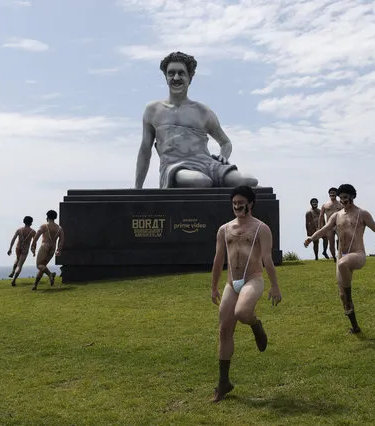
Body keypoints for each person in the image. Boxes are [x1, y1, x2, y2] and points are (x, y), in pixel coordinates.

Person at [135, 51, 258, 189]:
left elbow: (225, 142)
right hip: (176, 167)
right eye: (171, 73)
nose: (176, 77)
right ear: (166, 77)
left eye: (181, 73)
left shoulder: (203, 112)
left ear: (190, 77)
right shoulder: (153, 110)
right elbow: (145, 150)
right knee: (200, 182)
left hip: (208, 165)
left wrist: (223, 156)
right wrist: (137, 188)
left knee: (248, 181)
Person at [210, 185, 282, 402]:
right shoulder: (224, 229)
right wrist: (214, 286)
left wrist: (275, 286)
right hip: (232, 284)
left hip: (253, 279)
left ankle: (255, 324)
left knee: (242, 312)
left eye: (242, 202)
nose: (238, 206)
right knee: (224, 331)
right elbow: (218, 259)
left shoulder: (261, 228)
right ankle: (223, 383)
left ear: (251, 203)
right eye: (234, 203)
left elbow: (268, 259)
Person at [305, 184, 375, 334]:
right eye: (341, 198)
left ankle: (350, 297)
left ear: (352, 197)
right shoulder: (336, 216)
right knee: (341, 295)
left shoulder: (362, 214)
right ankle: (355, 326)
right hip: (341, 255)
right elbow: (324, 229)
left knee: (343, 264)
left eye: (345, 197)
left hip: (357, 254)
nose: (342, 200)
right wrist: (311, 238)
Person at [30, 210, 64, 291]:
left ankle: (50, 275)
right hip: (52, 248)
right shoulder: (59, 228)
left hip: (45, 245)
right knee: (43, 266)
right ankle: (35, 285)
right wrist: (59, 250)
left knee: (39, 265)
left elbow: (37, 236)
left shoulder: (44, 226)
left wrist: (33, 245)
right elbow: (62, 240)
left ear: (47, 217)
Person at [7, 216, 36, 286]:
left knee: (17, 259)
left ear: (24, 221)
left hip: (18, 248)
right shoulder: (33, 232)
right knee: (20, 265)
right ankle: (13, 280)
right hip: (25, 249)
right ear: (31, 223)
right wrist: (33, 251)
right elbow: (34, 243)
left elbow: (13, 239)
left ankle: (13, 271)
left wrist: (10, 248)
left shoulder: (19, 230)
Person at [318, 187, 342, 260]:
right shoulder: (325, 205)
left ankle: (340, 255)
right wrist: (320, 227)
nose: (332, 194)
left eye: (334, 192)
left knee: (341, 239)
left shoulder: (341, 204)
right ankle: (334, 256)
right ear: (329, 194)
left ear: (336, 194)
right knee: (331, 243)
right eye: (331, 193)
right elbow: (321, 216)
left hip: (339, 225)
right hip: (329, 226)